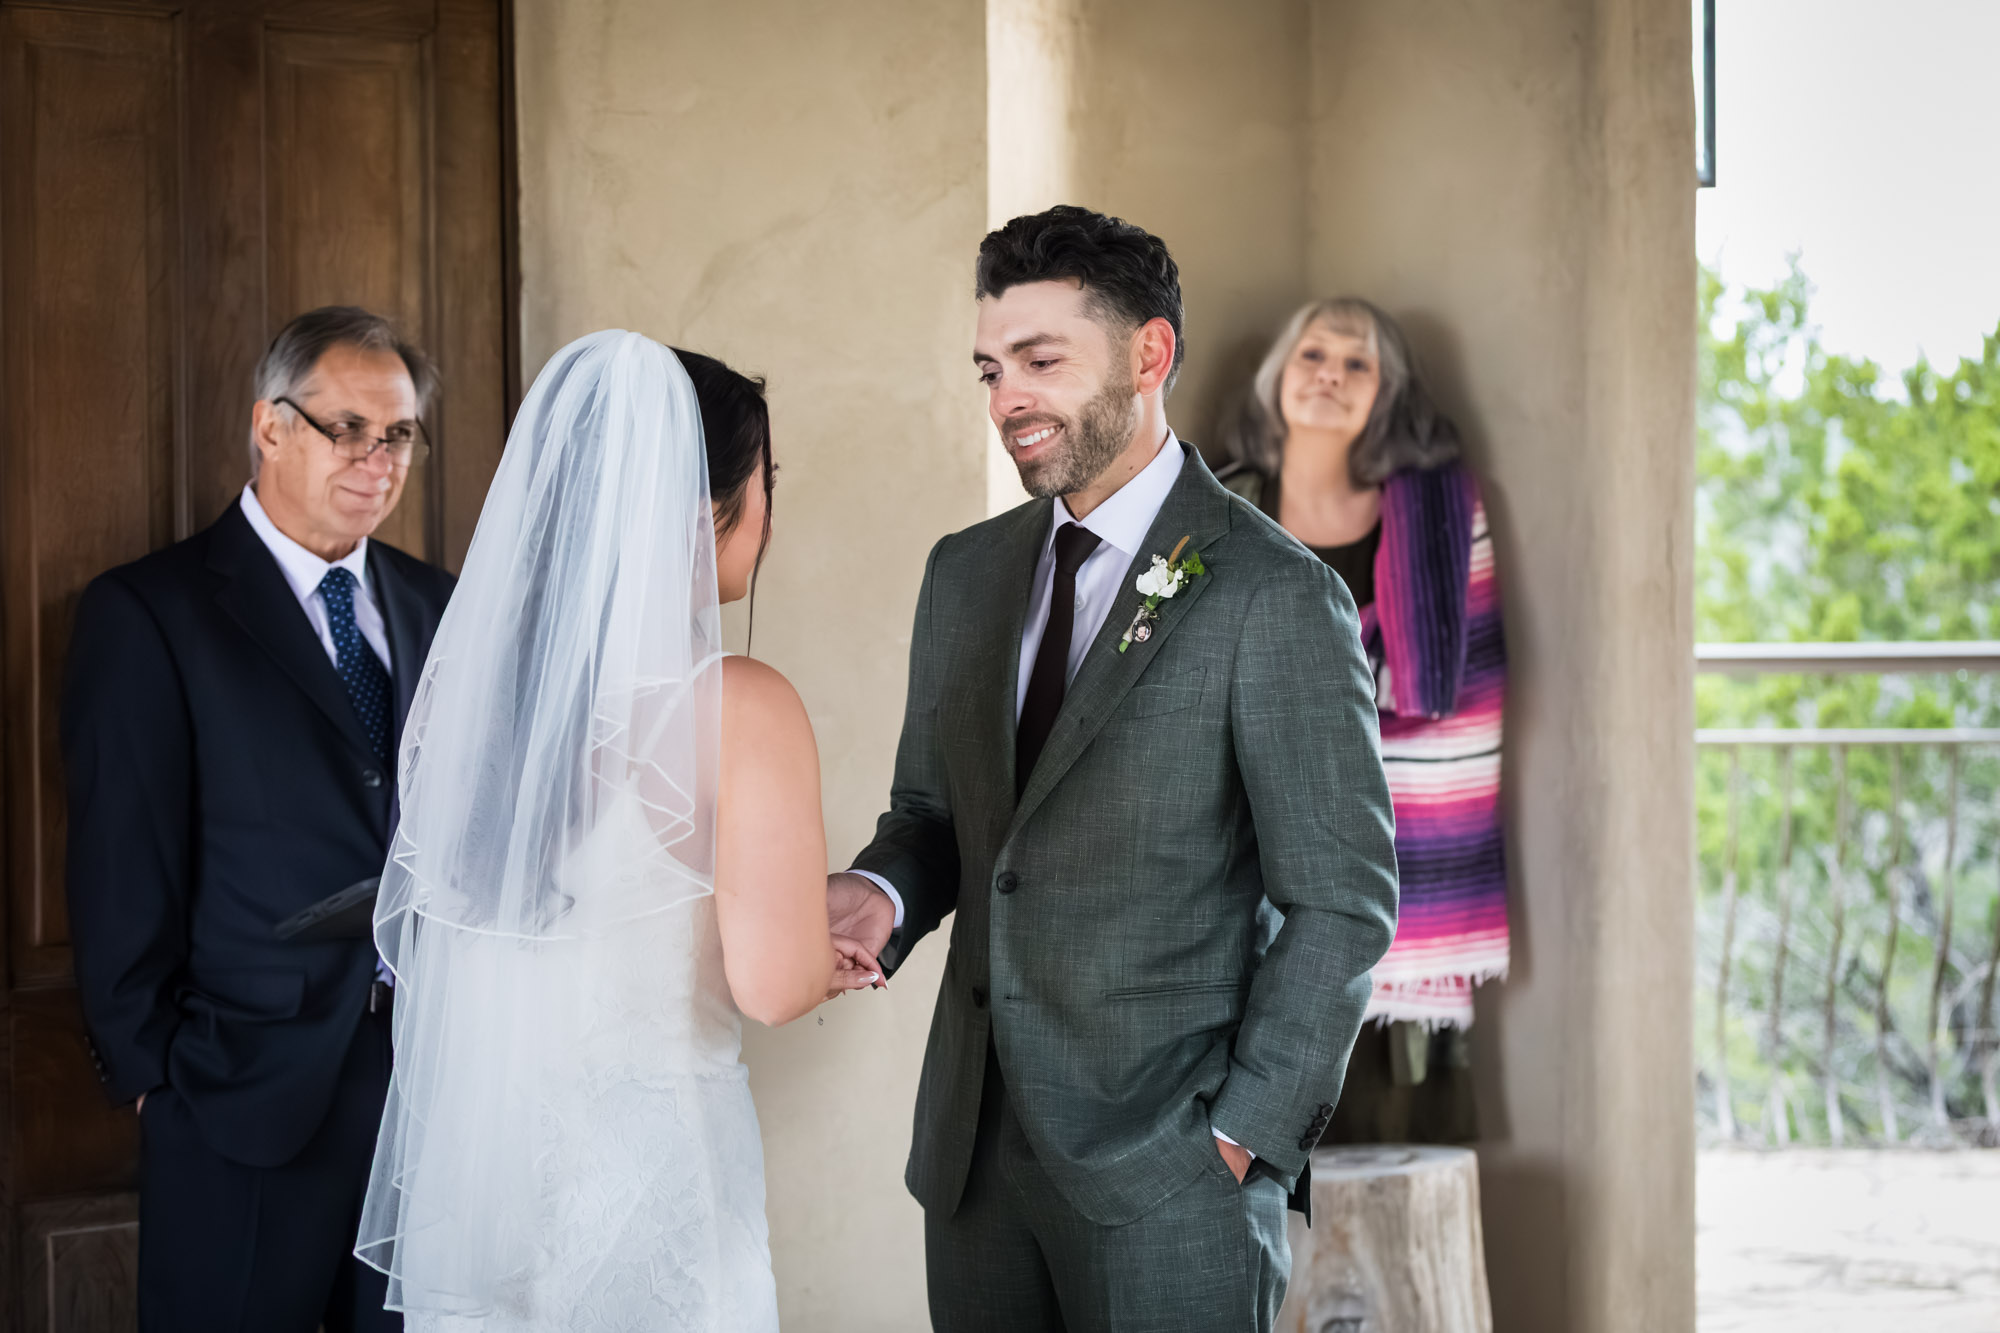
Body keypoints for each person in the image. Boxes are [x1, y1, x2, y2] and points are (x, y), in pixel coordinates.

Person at [826, 206, 1400, 1332]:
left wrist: (1238, 1137)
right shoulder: (962, 574)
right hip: (971, 1159)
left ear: (1148, 356)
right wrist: (882, 891)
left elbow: (1341, 901)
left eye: (1042, 362)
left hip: (1171, 1175)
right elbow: (933, 813)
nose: (1006, 400)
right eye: (991, 368)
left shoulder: (1271, 594)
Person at [355, 331, 877, 1331]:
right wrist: (821, 949)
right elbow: (772, 985)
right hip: (657, 1190)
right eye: (767, 479)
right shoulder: (741, 703)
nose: (772, 510)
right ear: (697, 510)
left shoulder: (488, 705)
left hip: (491, 1195)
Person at [63, 306, 455, 1331]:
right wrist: (157, 1080)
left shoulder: (442, 605)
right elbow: (121, 861)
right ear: (269, 427)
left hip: (429, 1093)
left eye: (399, 433)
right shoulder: (152, 611)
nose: (377, 457)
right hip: (234, 1095)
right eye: (346, 428)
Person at [1218, 297, 1510, 1143]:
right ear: (1278, 375)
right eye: (1313, 355)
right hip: (1249, 847)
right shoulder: (1225, 508)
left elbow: (1476, 699)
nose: (1331, 377)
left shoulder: (1439, 521)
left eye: (1358, 365)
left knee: (1392, 1146)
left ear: (1385, 396)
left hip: (1399, 868)